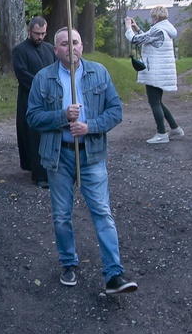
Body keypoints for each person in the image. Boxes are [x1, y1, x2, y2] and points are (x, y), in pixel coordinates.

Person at [27, 28, 137, 294]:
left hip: (91, 153)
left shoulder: (99, 73)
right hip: (58, 155)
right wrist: (62, 116)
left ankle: (114, 275)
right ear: (56, 50)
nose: (71, 48)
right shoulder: (44, 78)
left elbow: (116, 111)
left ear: (82, 45)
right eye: (64, 44)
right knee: (62, 215)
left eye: (75, 42)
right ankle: (68, 263)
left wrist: (89, 126)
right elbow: (32, 117)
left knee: (102, 213)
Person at [125, 6, 184, 144]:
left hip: (155, 73)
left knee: (154, 102)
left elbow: (135, 40)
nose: (152, 19)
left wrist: (128, 28)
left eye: (152, 17)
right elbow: (148, 38)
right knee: (158, 102)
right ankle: (175, 128)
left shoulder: (158, 30)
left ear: (156, 17)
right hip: (161, 72)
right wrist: (137, 28)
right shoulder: (165, 29)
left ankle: (161, 133)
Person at [12, 17, 56, 188]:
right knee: (34, 136)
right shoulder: (20, 50)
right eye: (37, 33)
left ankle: (50, 170)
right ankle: (39, 175)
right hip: (30, 99)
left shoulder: (49, 49)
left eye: (43, 33)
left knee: (50, 134)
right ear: (29, 31)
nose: (40, 37)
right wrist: (42, 87)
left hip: (50, 99)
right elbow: (22, 74)